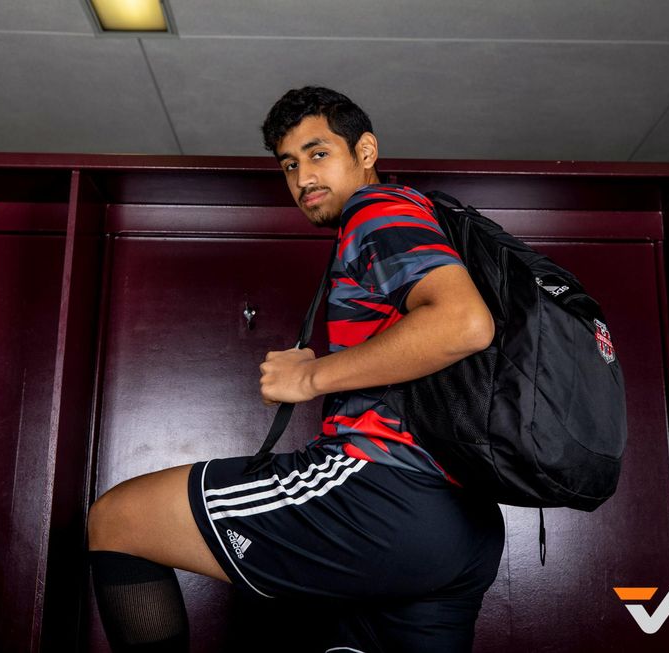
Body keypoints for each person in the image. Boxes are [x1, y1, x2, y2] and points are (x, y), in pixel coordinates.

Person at [87, 86, 504, 653]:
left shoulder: (377, 211)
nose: (303, 177)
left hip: (385, 493)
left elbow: (464, 324)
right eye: (289, 164)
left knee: (119, 520)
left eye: (318, 153)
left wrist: (309, 378)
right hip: (464, 526)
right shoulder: (421, 216)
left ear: (366, 151)